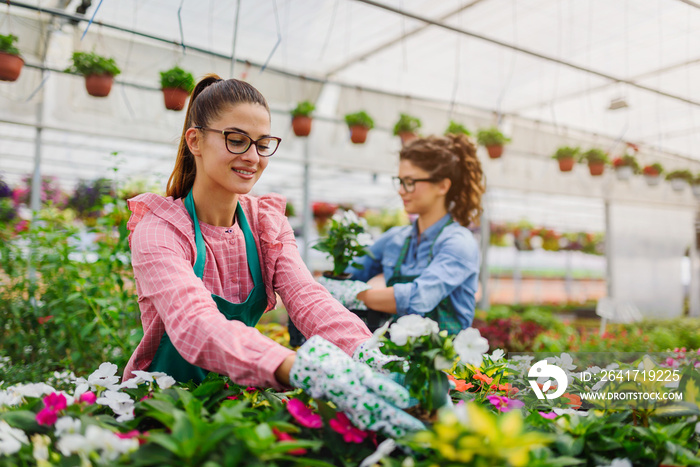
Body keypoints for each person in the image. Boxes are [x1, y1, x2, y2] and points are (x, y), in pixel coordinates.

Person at [122, 74, 422, 437]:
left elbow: (307, 298)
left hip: (230, 404)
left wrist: (366, 351)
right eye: (236, 140)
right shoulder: (161, 230)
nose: (252, 157)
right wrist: (295, 365)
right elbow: (194, 322)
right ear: (195, 140)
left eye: (262, 144)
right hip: (162, 415)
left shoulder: (265, 224)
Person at [346, 133, 485, 333]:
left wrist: (352, 295)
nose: (401, 191)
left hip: (446, 361)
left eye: (410, 182)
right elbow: (349, 273)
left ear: (443, 186)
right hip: (395, 356)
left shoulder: (458, 243)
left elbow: (418, 298)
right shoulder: (395, 239)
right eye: (400, 181)